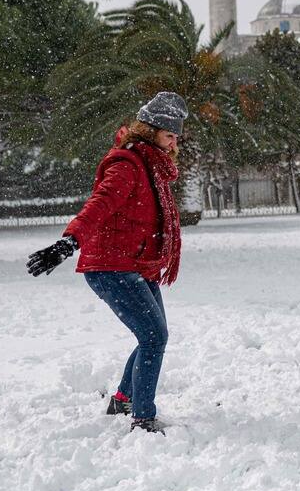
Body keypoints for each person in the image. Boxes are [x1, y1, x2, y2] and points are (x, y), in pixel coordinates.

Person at [26, 92, 188, 434]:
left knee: (154, 336)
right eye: (169, 134)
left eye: (176, 135)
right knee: (153, 337)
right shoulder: (127, 165)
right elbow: (98, 205)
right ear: (150, 131)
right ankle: (143, 418)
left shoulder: (153, 167)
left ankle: (123, 400)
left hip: (136, 263)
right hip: (111, 267)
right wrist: (68, 242)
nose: (175, 141)